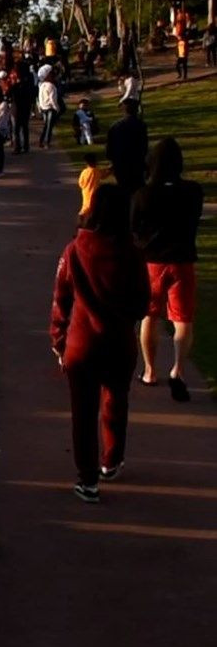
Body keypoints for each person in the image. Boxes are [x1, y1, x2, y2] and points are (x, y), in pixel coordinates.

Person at [50, 186, 150, 503]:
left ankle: (88, 479)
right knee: (116, 403)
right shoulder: (133, 254)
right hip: (119, 342)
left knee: (83, 412)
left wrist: (58, 339)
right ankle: (111, 460)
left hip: (82, 343)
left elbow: (61, 299)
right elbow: (142, 303)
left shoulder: (74, 250)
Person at [130, 138, 204, 401]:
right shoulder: (193, 192)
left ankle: (150, 371)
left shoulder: (143, 194)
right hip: (182, 260)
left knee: (149, 316)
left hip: (152, 261)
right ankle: (178, 370)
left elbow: (133, 227)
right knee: (183, 319)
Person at [104, 99, 148, 193]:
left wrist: (111, 160)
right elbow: (144, 146)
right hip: (136, 163)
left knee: (123, 189)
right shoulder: (141, 125)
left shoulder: (115, 126)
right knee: (138, 188)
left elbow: (109, 147)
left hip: (120, 164)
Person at [9, 62, 35, 155]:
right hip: (26, 104)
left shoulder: (17, 80)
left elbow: (12, 91)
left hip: (17, 104)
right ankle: (25, 146)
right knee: (24, 126)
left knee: (16, 128)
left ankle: (18, 147)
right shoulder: (30, 77)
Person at [36, 68, 62, 148]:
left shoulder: (42, 85)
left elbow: (40, 97)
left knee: (45, 126)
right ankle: (47, 142)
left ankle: (41, 141)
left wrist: (41, 106)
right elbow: (52, 99)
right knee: (49, 127)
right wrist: (57, 108)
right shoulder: (51, 86)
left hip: (44, 107)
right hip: (50, 108)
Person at [77, 153, 101, 220]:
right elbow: (103, 175)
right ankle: (80, 221)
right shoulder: (96, 171)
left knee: (86, 206)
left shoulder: (84, 172)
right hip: (94, 192)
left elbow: (80, 183)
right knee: (88, 208)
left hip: (85, 192)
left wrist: (85, 187)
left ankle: (85, 221)